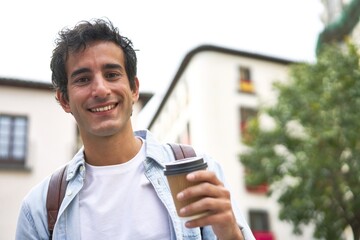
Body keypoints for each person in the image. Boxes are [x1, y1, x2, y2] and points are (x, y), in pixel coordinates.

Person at [15, 18, 255, 240]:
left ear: (134, 89)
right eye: (83, 79)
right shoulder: (37, 208)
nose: (100, 90)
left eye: (112, 74)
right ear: (64, 100)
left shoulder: (197, 173)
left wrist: (230, 233)